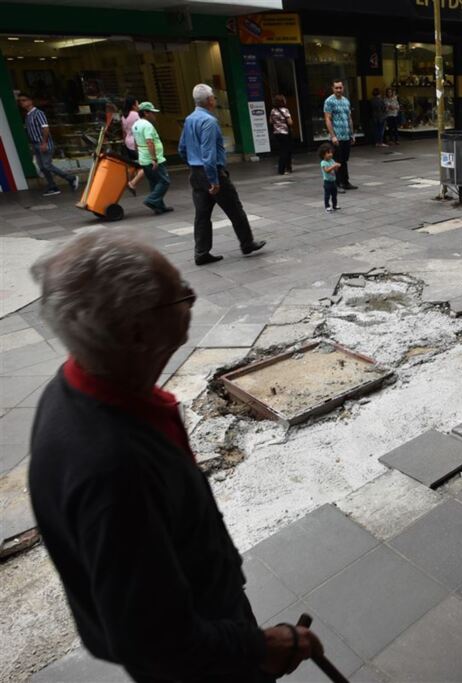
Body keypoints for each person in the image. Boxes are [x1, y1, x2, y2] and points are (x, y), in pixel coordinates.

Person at [28, 231, 322, 681]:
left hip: (206, 604)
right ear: (136, 331)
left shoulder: (84, 387)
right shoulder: (112, 469)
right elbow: (153, 639)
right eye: (179, 295)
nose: (192, 297)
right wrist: (258, 647)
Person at [179, 83, 266, 266]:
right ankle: (247, 243)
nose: (214, 100)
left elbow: (182, 148)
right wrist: (213, 179)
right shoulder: (209, 122)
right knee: (235, 209)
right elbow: (208, 153)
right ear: (209, 100)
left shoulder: (189, 120)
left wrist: (193, 166)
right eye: (213, 97)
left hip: (195, 173)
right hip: (212, 172)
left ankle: (201, 252)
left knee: (202, 214)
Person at [17, 93, 79, 197]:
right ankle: (52, 186)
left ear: (30, 101)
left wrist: (44, 142)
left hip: (43, 144)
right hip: (35, 144)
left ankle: (70, 178)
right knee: (42, 167)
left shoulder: (38, 113)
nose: (21, 102)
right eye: (20, 101)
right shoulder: (28, 115)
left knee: (47, 165)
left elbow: (45, 128)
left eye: (24, 100)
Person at [131, 102, 172, 215]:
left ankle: (159, 207)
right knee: (164, 181)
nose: (154, 115)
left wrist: (139, 156)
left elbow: (135, 142)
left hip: (144, 158)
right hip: (152, 159)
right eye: (152, 112)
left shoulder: (136, 125)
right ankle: (152, 200)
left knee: (154, 182)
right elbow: (150, 142)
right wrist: (154, 159)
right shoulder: (147, 125)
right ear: (145, 113)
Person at [323, 79, 358, 191]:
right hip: (336, 137)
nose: (338, 89)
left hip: (346, 136)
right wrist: (332, 135)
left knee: (344, 160)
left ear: (343, 88)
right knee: (336, 161)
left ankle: (345, 182)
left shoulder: (346, 101)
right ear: (332, 89)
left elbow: (349, 118)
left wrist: (352, 134)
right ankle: (337, 184)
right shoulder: (329, 101)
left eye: (340, 87)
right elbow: (327, 119)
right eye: (336, 88)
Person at [120, 98, 146, 194]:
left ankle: (126, 182)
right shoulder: (135, 115)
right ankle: (132, 183)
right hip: (135, 142)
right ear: (133, 105)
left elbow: (124, 131)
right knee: (145, 165)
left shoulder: (124, 116)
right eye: (137, 103)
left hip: (128, 141)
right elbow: (139, 128)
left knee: (132, 165)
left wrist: (124, 141)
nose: (138, 106)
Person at [269, 94, 293, 175]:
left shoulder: (272, 111)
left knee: (282, 150)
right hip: (284, 133)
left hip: (276, 133)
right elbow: (290, 122)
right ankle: (282, 169)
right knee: (285, 151)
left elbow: (271, 122)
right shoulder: (285, 110)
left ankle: (286, 168)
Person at [319, 143, 340, 213]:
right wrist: (334, 166)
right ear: (323, 155)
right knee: (327, 195)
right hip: (327, 182)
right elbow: (327, 171)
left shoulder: (332, 160)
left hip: (333, 181)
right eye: (328, 153)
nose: (330, 154)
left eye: (331, 152)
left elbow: (335, 170)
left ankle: (334, 205)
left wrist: (337, 167)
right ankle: (327, 206)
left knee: (334, 194)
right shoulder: (323, 162)